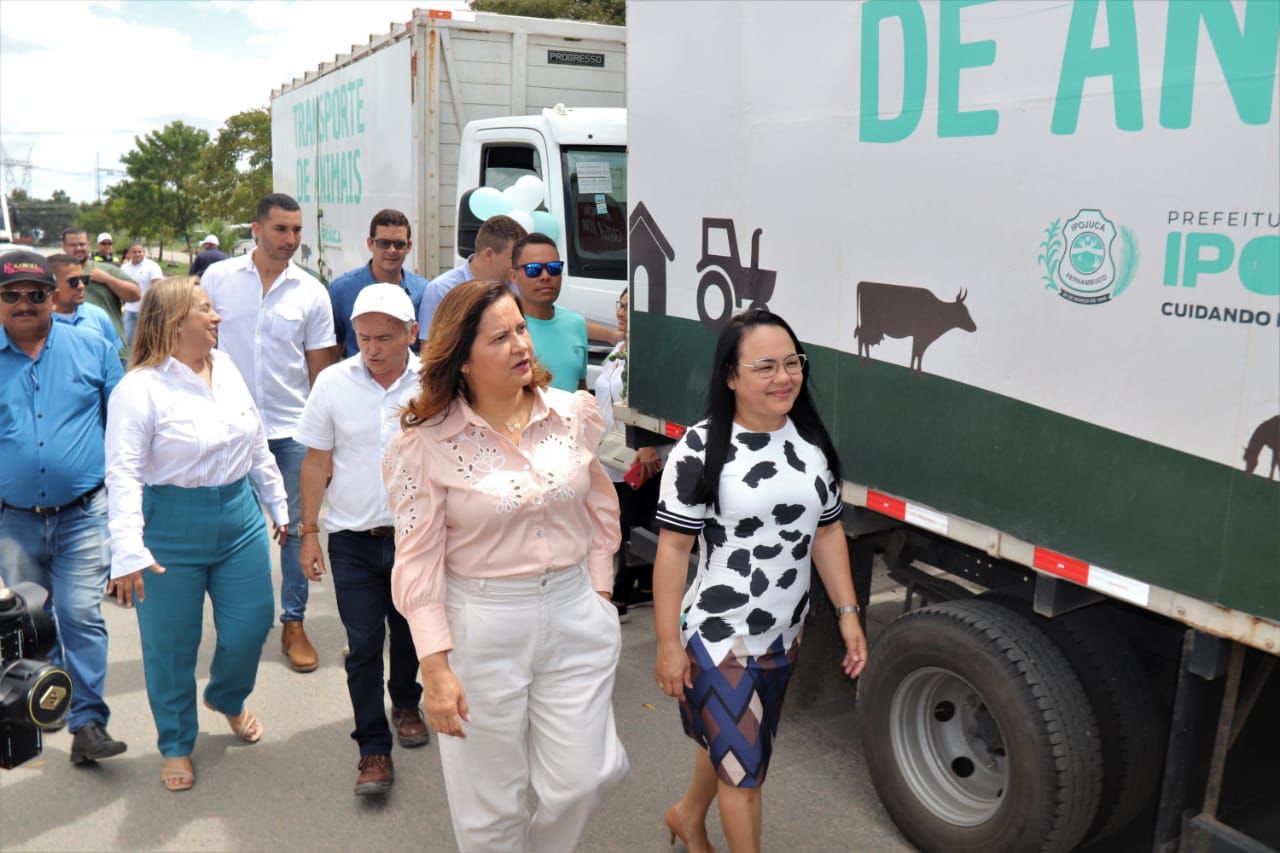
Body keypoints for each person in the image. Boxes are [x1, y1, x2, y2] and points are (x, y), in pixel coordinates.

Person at [385, 279, 628, 850]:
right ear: (462, 361)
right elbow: (417, 560)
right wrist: (437, 668)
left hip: (575, 613)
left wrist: (598, 590)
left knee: (584, 780)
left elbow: (599, 505)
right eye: (500, 337)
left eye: (520, 328)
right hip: (482, 624)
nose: (521, 344)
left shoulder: (574, 413)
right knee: (490, 808)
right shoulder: (423, 445)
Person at [653, 307, 868, 853]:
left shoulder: (811, 444)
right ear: (731, 376)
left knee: (731, 742)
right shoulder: (701, 450)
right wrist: (667, 645)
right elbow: (674, 552)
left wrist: (848, 616)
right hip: (720, 638)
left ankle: (686, 816)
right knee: (745, 776)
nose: (784, 377)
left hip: (784, 635)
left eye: (793, 363)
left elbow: (828, 533)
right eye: (766, 366)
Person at [104, 276, 288, 792]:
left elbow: (256, 443)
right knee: (170, 646)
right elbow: (121, 474)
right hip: (168, 528)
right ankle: (177, 743)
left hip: (238, 518)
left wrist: (277, 503)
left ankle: (228, 696)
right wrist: (128, 551)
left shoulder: (226, 368)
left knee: (252, 624)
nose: (217, 318)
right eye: (205, 310)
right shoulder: (138, 389)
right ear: (172, 322)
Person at [296, 283, 430, 797]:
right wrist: (309, 533)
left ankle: (406, 700)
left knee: (411, 633)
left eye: (384, 338)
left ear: (410, 334)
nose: (371, 348)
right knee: (364, 645)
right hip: (351, 539)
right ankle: (372, 748)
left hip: (415, 539)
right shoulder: (332, 382)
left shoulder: (434, 382)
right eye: (362, 336)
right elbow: (316, 462)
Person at [0, 250, 127, 765]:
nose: (25, 303)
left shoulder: (93, 348)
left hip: (83, 515)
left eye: (36, 293)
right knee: (31, 622)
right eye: (12, 295)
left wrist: (129, 521)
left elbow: (124, 434)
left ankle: (89, 723)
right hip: (13, 521)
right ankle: (44, 699)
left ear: (54, 296)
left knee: (80, 614)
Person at [201, 193, 337, 672]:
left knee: (299, 530)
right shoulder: (217, 279)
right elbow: (196, 346)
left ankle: (293, 623)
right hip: (230, 427)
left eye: (298, 230)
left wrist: (328, 441)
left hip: (293, 431)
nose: (292, 240)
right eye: (282, 229)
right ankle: (239, 626)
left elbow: (322, 373)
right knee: (234, 530)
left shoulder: (311, 292)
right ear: (256, 230)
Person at [594, 287, 665, 621]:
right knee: (621, 517)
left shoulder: (651, 353)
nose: (621, 312)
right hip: (611, 449)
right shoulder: (621, 347)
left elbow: (651, 403)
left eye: (628, 307)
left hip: (636, 452)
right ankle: (638, 584)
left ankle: (621, 590)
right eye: (619, 306)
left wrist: (647, 444)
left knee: (627, 521)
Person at [328, 209, 428, 358]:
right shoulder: (341, 291)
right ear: (370, 243)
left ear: (409, 246)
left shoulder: (424, 291)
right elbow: (331, 352)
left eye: (399, 244)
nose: (392, 250)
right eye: (384, 243)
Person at [416, 213, 525, 341]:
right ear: (489, 254)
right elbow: (430, 351)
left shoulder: (518, 288)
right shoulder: (441, 290)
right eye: (513, 259)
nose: (519, 266)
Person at [511, 232, 588, 392]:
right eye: (534, 269)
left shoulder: (576, 324)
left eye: (554, 268)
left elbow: (580, 389)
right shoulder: (506, 329)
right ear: (513, 276)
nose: (545, 276)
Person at [61, 227, 139, 355]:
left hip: (113, 350)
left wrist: (108, 279)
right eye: (73, 245)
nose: (78, 248)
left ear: (89, 245)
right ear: (63, 246)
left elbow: (135, 295)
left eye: (82, 244)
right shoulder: (56, 274)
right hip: (72, 352)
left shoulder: (106, 270)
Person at [47, 253, 126, 353]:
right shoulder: (39, 322)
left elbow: (113, 357)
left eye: (83, 279)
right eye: (74, 281)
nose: (81, 286)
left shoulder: (98, 315)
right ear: (51, 284)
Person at [119, 241, 165, 345]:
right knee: (127, 341)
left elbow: (158, 287)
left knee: (148, 341)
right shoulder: (124, 268)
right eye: (134, 252)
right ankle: (128, 361)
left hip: (147, 310)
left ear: (144, 253)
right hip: (129, 310)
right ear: (129, 254)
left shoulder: (152, 266)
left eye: (140, 251)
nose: (138, 254)